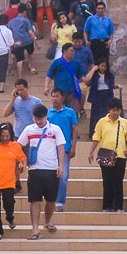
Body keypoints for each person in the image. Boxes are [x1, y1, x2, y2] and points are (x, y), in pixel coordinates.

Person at [19, 103, 67, 240]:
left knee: (51, 200)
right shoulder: (29, 129)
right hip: (34, 169)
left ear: (46, 116)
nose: (38, 122)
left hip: (51, 169)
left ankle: (47, 221)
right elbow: (19, 145)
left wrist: (61, 165)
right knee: (34, 200)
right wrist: (22, 161)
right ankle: (35, 229)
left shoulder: (55, 129)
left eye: (40, 119)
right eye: (36, 119)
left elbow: (61, 148)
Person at [43, 87, 79, 223]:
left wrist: (74, 146)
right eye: (52, 96)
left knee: (63, 177)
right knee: (51, 177)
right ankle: (50, 200)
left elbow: (75, 129)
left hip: (65, 149)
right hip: (50, 150)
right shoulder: (48, 113)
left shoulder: (70, 112)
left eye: (57, 96)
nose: (54, 99)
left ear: (62, 97)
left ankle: (60, 202)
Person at [94, 99, 127, 211]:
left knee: (118, 181)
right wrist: (91, 152)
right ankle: (107, 206)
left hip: (120, 156)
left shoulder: (124, 122)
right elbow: (96, 138)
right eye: (113, 110)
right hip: (105, 155)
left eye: (118, 110)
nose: (115, 113)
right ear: (109, 110)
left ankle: (118, 206)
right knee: (107, 181)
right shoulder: (102, 122)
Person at [85, 62, 117, 138]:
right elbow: (87, 79)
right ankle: (94, 132)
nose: (103, 68)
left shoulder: (110, 75)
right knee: (96, 115)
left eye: (105, 66)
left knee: (106, 114)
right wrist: (93, 69)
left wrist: (118, 86)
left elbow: (111, 85)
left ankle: (105, 132)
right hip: (97, 95)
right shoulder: (95, 75)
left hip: (107, 95)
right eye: (101, 66)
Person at [7, 6, 38, 76]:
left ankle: (19, 76)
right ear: (25, 12)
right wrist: (36, 43)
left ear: (18, 12)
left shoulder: (11, 21)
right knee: (31, 53)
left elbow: (10, 32)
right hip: (27, 40)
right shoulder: (26, 20)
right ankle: (32, 67)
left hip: (17, 42)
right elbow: (30, 32)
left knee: (19, 60)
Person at [84, 2, 114, 68]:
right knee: (94, 60)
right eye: (99, 8)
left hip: (105, 42)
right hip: (94, 42)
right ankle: (94, 76)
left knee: (105, 60)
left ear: (104, 9)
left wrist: (110, 41)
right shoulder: (90, 19)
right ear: (96, 9)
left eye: (102, 8)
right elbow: (85, 31)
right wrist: (86, 41)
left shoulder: (108, 20)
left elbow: (111, 32)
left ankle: (105, 77)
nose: (100, 10)